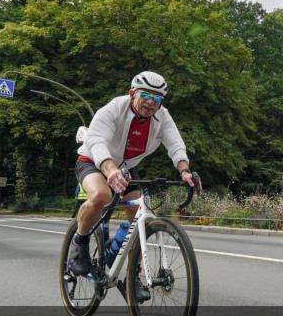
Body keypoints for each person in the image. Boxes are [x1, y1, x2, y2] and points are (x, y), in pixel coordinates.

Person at [67, 72, 198, 302]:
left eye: (156, 99)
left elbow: (176, 145)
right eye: (145, 95)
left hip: (125, 167)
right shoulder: (113, 109)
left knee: (140, 219)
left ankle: (131, 276)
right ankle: (80, 241)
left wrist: (185, 171)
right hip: (93, 161)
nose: (150, 102)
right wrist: (109, 170)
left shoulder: (162, 117)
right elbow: (96, 142)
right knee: (100, 195)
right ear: (131, 93)